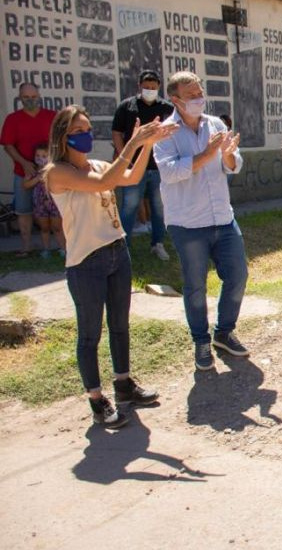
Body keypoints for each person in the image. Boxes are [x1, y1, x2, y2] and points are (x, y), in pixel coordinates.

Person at [45, 105, 174, 428]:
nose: (84, 136)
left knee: (120, 325)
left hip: (117, 251)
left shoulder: (100, 164)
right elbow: (103, 180)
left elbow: (130, 176)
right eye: (76, 132)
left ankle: (124, 384)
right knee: (90, 334)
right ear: (61, 137)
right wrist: (132, 143)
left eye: (87, 129)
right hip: (86, 260)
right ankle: (96, 398)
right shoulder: (56, 173)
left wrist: (146, 146)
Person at [153, 71, 248, 371]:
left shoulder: (216, 124)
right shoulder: (165, 132)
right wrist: (208, 153)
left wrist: (229, 156)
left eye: (199, 92)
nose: (198, 98)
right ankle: (201, 341)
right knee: (195, 286)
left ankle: (223, 332)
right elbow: (170, 172)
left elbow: (232, 166)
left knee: (238, 276)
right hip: (187, 223)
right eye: (191, 95)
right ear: (175, 99)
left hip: (222, 217)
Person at [111, 70, 174, 260]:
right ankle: (124, 247)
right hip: (133, 168)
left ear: (159, 87)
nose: (150, 90)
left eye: (153, 88)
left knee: (159, 208)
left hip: (158, 167)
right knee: (129, 207)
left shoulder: (167, 108)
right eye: (146, 87)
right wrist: (125, 157)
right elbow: (116, 133)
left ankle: (157, 244)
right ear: (140, 86)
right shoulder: (127, 106)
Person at [1, 83, 57, 256]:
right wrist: (24, 163)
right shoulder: (13, 119)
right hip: (23, 172)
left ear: (39, 96)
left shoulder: (52, 116)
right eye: (26, 97)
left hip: (50, 173)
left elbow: (61, 140)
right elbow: (8, 145)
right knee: (24, 210)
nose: (30, 100)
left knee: (56, 210)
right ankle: (26, 247)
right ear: (20, 98)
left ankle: (61, 246)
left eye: (33, 97)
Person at [22, 144, 66, 258]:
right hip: (40, 204)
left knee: (58, 228)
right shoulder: (33, 170)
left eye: (44, 156)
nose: (40, 158)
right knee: (44, 228)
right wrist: (37, 178)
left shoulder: (56, 169)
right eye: (37, 155)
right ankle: (46, 250)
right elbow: (25, 185)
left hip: (54, 203)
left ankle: (64, 249)